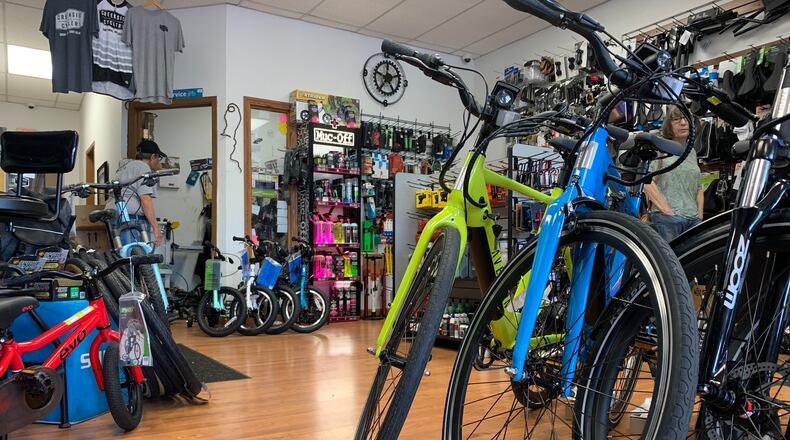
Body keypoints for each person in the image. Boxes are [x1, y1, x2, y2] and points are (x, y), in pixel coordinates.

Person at [644, 105, 704, 242]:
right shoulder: (659, 148)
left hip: (693, 220)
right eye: (676, 119)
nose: (683, 123)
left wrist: (699, 214)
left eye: (686, 119)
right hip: (668, 221)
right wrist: (666, 210)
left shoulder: (691, 152)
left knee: (693, 262)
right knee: (670, 262)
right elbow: (646, 181)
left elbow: (698, 186)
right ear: (668, 125)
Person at [107, 140, 167, 247]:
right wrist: (156, 228)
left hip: (114, 217)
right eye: (159, 158)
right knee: (135, 258)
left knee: (122, 258)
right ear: (153, 156)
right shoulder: (142, 167)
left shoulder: (125, 168)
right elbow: (145, 200)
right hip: (130, 219)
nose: (159, 161)